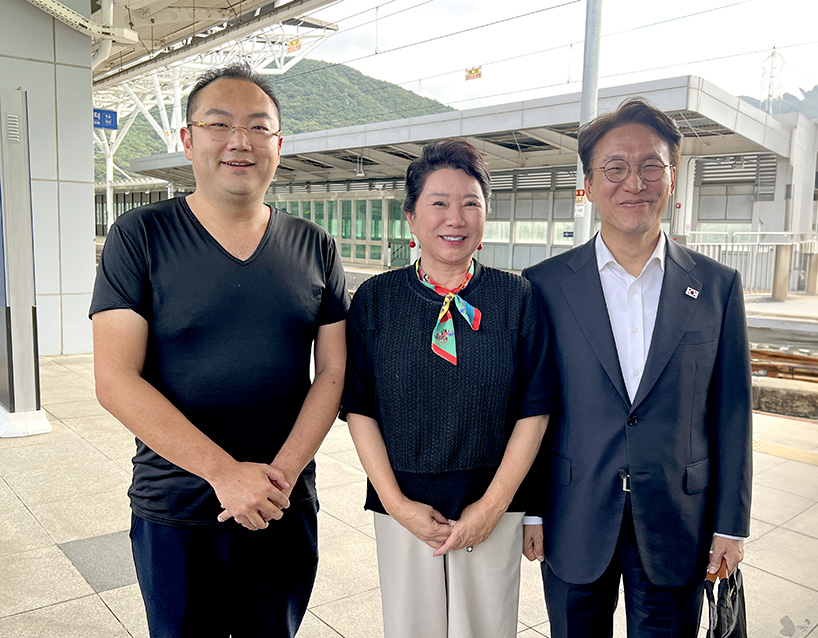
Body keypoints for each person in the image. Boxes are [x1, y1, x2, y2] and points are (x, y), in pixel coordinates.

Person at [89, 63, 348, 637]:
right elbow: (115, 380)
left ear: (278, 144)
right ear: (188, 139)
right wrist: (225, 474)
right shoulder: (140, 235)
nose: (240, 141)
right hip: (176, 507)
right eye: (219, 124)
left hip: (283, 504)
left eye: (258, 126)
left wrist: (278, 478)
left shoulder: (314, 245)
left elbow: (333, 371)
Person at [522, 98, 753, 637]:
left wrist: (731, 525)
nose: (635, 183)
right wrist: (531, 511)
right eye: (615, 168)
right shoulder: (544, 285)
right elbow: (532, 406)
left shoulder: (717, 286)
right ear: (588, 183)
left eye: (652, 166)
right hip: (574, 513)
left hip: (678, 520)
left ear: (672, 178)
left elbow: (732, 413)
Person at [341, 139, 556, 638]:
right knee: (411, 630)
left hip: (493, 507)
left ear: (486, 216)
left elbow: (535, 410)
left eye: (470, 204)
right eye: (438, 203)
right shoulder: (375, 299)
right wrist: (397, 505)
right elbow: (358, 408)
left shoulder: (518, 298)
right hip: (403, 506)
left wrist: (492, 507)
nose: (455, 218)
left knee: (485, 630)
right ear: (411, 219)